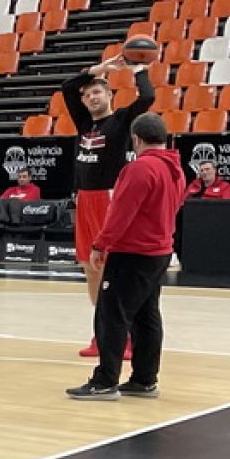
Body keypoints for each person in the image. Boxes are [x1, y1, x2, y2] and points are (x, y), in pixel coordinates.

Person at [67, 114, 185, 401]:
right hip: (159, 251)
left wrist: (100, 244)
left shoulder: (139, 169)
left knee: (111, 315)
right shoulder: (176, 170)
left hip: (132, 252)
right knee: (146, 317)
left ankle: (105, 381)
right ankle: (144, 379)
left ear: (136, 139)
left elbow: (120, 212)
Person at [61, 56, 155, 358]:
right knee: (90, 269)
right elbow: (67, 87)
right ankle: (101, 334)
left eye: (98, 91)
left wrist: (138, 69)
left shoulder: (122, 120)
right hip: (85, 199)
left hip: (110, 198)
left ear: (110, 95)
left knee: (111, 268)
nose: (92, 97)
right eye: (88, 94)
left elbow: (148, 97)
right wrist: (97, 70)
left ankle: (121, 336)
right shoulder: (84, 123)